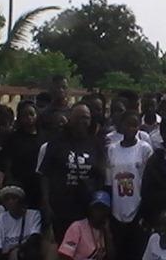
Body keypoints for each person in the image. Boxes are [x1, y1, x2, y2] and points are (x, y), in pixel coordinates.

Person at [38, 103, 105, 243]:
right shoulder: (56, 143)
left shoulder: (95, 144)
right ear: (70, 118)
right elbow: (45, 174)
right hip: (61, 209)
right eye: (79, 117)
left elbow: (100, 176)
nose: (83, 121)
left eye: (86, 118)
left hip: (86, 210)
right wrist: (46, 203)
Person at [106, 111, 153, 260]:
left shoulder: (145, 149)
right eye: (128, 124)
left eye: (135, 125)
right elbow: (108, 181)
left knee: (136, 252)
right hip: (117, 207)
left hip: (137, 207)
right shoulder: (112, 149)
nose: (131, 129)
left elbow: (148, 181)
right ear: (121, 125)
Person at [4, 101, 43, 209]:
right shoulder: (13, 138)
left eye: (31, 114)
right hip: (20, 184)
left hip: (39, 185)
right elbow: (8, 162)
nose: (29, 118)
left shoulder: (44, 137)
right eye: (25, 115)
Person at [0, 184, 42, 260]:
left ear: (21, 200)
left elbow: (35, 238)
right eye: (7, 199)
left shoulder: (33, 215)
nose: (10, 201)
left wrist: (18, 250)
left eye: (14, 198)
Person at [58, 191, 114, 260]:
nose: (99, 212)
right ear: (90, 209)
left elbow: (112, 257)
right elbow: (64, 256)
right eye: (96, 208)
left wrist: (107, 233)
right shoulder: (77, 227)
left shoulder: (104, 230)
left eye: (102, 209)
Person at [38, 75, 71, 140]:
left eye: (64, 87)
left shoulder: (74, 111)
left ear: (68, 90)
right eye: (58, 87)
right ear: (51, 89)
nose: (61, 90)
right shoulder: (43, 114)